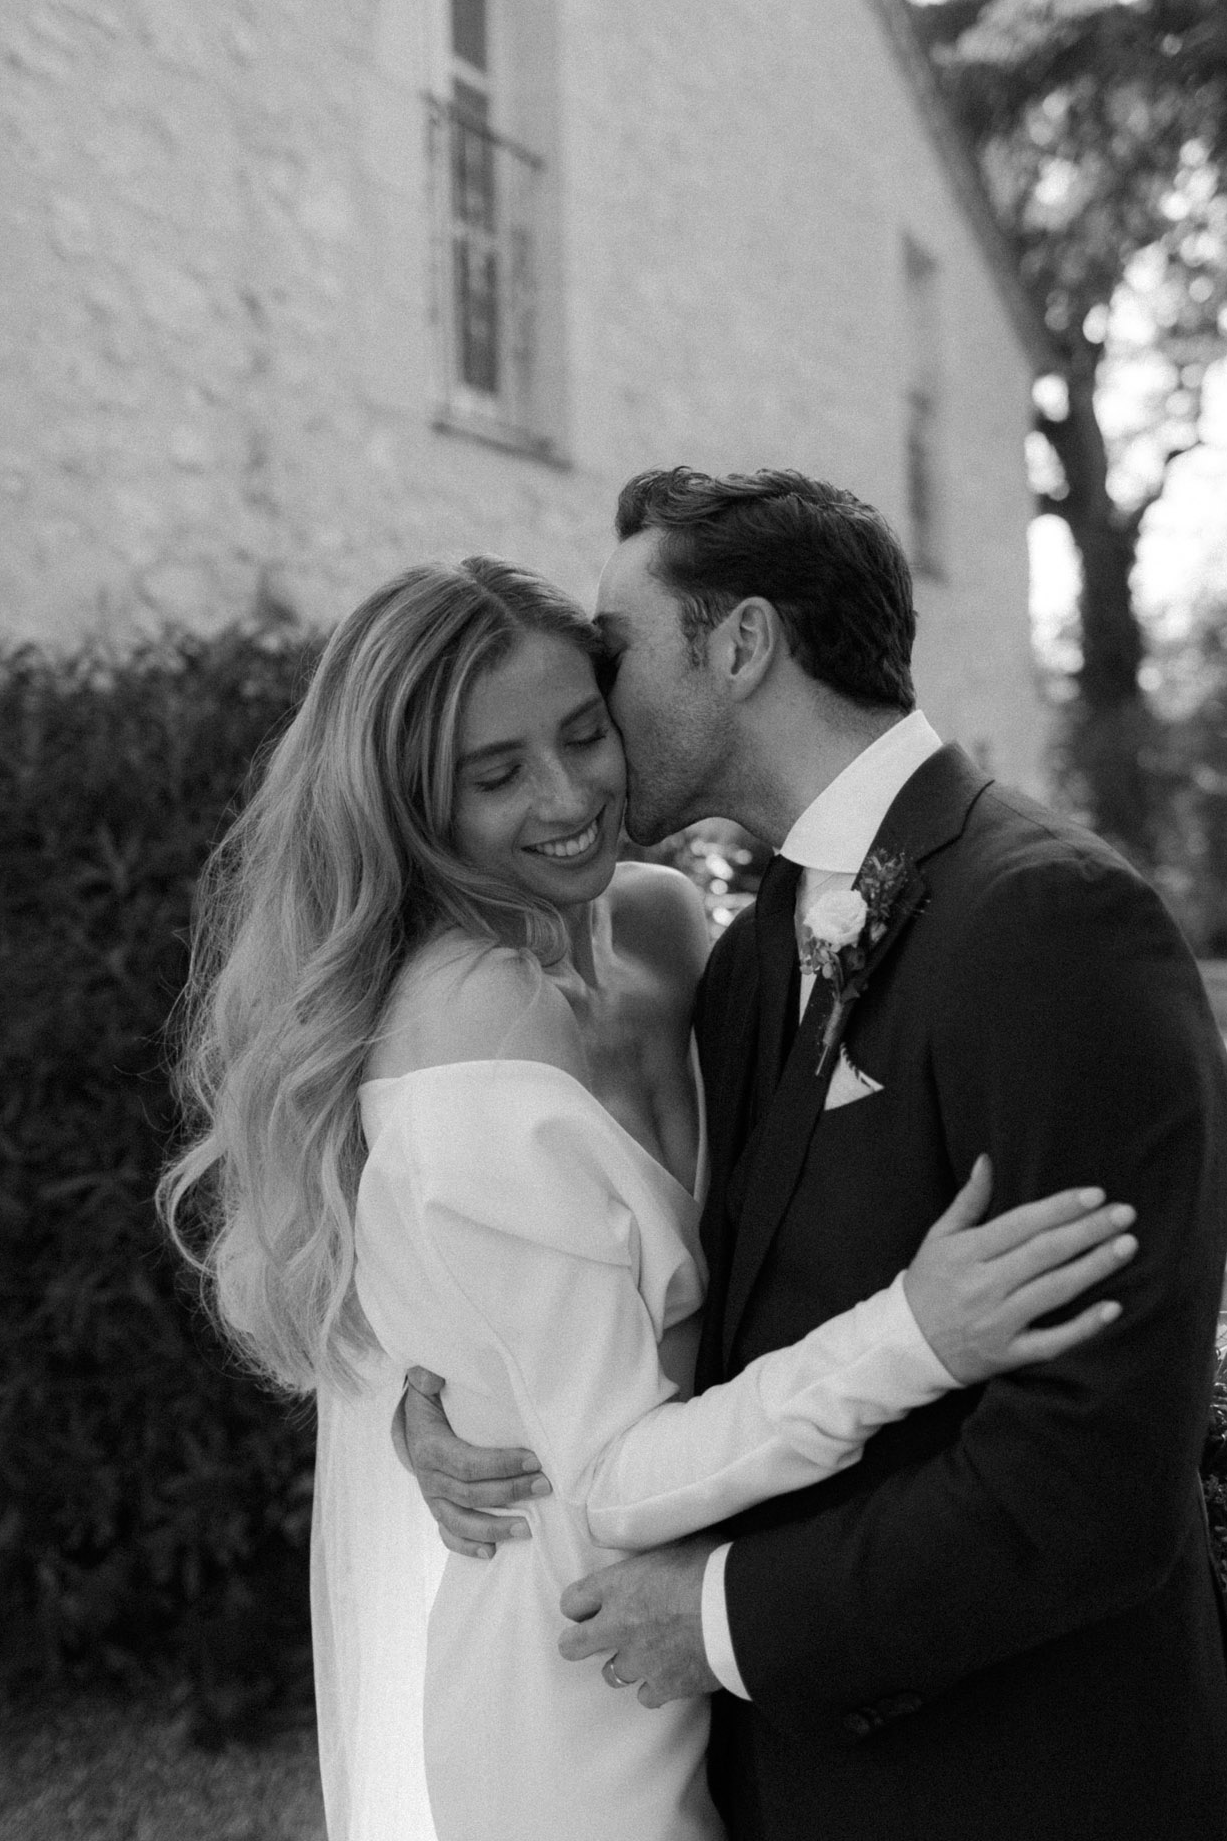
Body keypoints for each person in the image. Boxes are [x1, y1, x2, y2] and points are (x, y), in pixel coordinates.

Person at [158, 556, 1133, 1841]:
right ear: (404, 803)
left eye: (581, 733)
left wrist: (452, 1376)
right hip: (581, 1662)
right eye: (494, 774)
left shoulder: (668, 923)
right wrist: (918, 1332)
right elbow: (596, 1449)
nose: (568, 799)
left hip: (749, 1613)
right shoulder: (464, 1020)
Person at [401, 469, 1227, 1841]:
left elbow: (1093, 1476)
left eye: (620, 651)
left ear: (741, 645)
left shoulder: (1051, 922)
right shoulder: (748, 954)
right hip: (808, 1786)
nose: (593, 692)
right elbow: (683, 1300)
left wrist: (720, 1617)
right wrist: (453, 1398)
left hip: (1032, 1782)